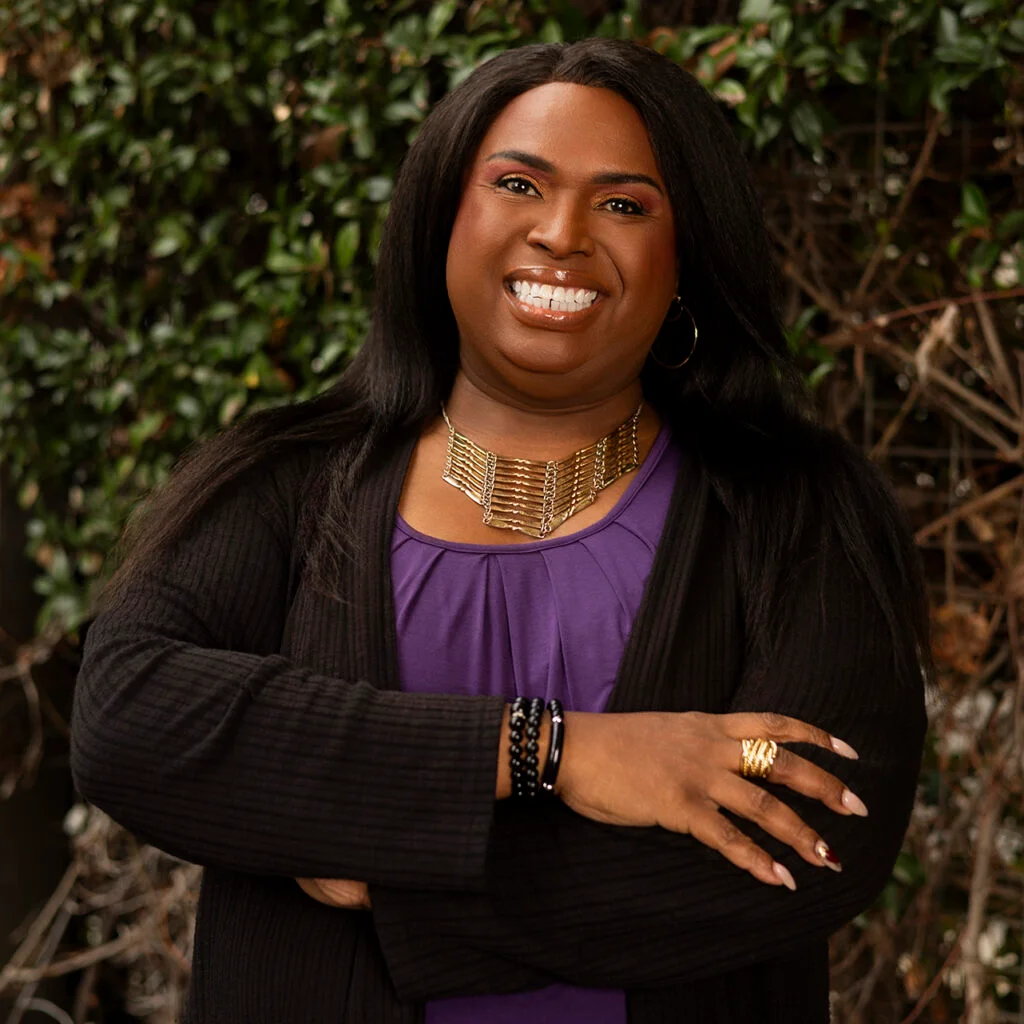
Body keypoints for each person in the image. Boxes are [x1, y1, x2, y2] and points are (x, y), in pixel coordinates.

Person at [70, 37, 930, 1024]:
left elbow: (805, 841)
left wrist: (391, 875)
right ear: (443, 217)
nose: (561, 234)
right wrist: (552, 749)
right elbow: (131, 716)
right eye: (518, 185)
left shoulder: (800, 509)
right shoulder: (284, 481)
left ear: (686, 254)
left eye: (624, 204)